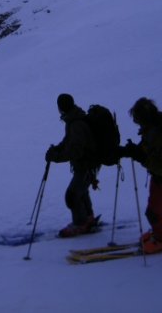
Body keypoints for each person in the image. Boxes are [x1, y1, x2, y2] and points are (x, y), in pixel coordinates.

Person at [120, 97, 162, 254]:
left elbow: (160, 163)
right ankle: (160, 231)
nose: (137, 122)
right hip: (160, 176)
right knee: (154, 206)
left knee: (153, 211)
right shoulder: (154, 127)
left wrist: (138, 155)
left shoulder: (157, 133)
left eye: (137, 119)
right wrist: (133, 150)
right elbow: (149, 151)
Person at [45, 93, 99, 238]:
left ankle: (80, 224)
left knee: (72, 195)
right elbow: (69, 141)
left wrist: (56, 156)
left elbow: (75, 151)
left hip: (86, 165)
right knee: (81, 192)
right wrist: (57, 148)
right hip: (87, 165)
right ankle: (88, 219)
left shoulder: (76, 123)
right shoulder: (74, 119)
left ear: (60, 108)